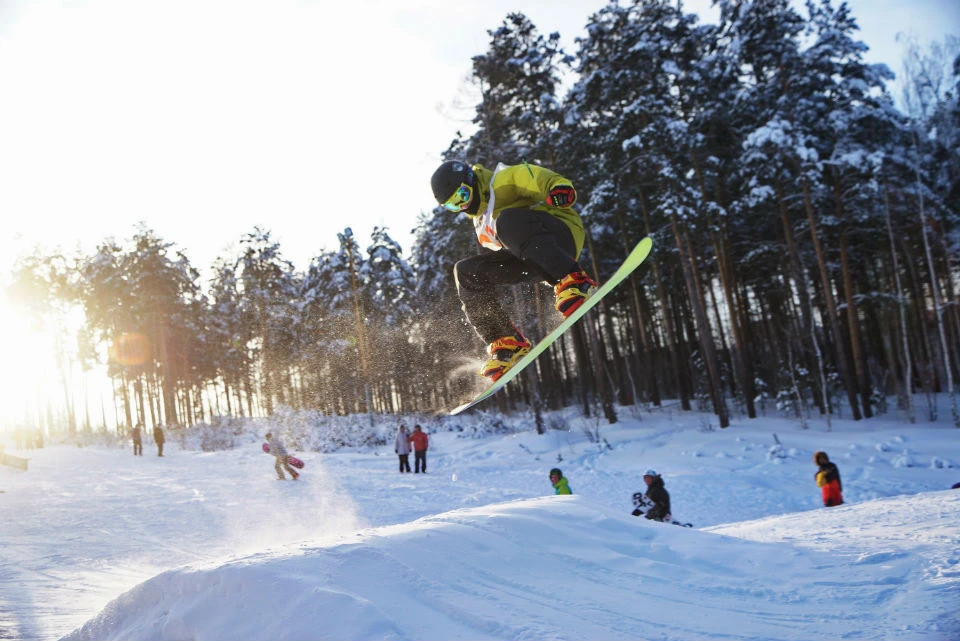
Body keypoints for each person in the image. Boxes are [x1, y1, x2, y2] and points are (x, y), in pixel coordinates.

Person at [431, 159, 593, 381]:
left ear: (471, 179)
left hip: (560, 235)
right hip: (534, 257)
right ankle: (506, 341)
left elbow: (532, 177)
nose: (463, 206)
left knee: (506, 221)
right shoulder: (481, 220)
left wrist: (558, 187)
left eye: (463, 195)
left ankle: (574, 279)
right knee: (466, 272)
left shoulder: (502, 181)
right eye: (453, 205)